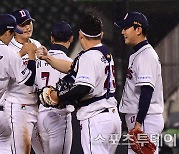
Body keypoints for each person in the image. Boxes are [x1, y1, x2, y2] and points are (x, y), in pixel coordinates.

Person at [39, 14, 122, 154]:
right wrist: (48, 58)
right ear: (101, 34)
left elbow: (83, 87)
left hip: (96, 118)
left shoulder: (88, 56)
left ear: (80, 34)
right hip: (112, 118)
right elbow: (72, 67)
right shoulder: (104, 52)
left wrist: (59, 96)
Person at [115, 11, 164, 154]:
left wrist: (138, 122)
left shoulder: (146, 55)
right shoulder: (138, 54)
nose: (122, 31)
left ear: (138, 30)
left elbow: (147, 91)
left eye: (126, 28)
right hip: (141, 119)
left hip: (145, 120)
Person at [3, 9, 41, 154]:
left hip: (37, 105)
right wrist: (22, 54)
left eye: (29, 22)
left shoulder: (36, 43)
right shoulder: (8, 47)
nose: (28, 27)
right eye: (23, 24)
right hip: (18, 105)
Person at [34, 21, 74, 154]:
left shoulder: (38, 61)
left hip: (41, 115)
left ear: (51, 38)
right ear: (71, 39)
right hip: (59, 116)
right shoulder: (70, 63)